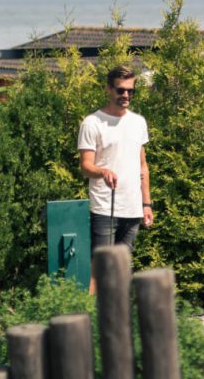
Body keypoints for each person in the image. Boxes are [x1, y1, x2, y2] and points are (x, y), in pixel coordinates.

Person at [78, 65, 153, 294]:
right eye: (121, 90)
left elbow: (143, 166)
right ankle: (90, 318)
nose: (126, 96)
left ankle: (116, 321)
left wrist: (146, 204)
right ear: (108, 90)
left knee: (122, 269)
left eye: (131, 91)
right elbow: (85, 166)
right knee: (99, 269)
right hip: (104, 207)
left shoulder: (138, 122)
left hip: (132, 208)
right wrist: (102, 172)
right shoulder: (92, 123)